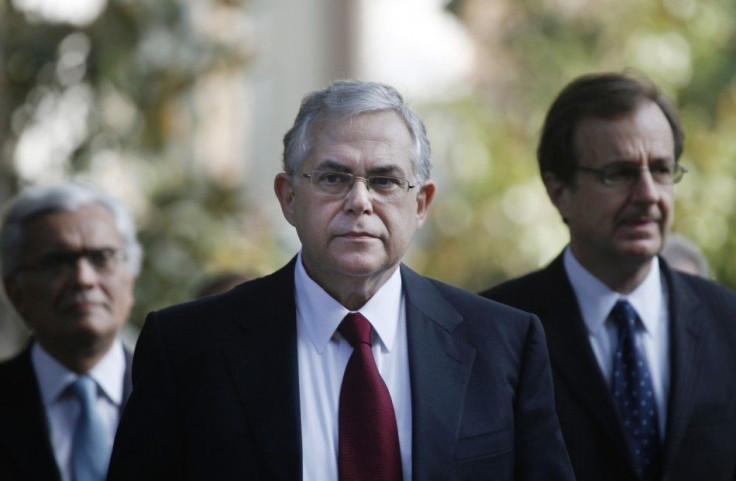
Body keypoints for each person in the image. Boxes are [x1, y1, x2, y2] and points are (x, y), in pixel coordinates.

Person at [107, 80, 573, 480]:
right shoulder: (187, 348)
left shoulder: (504, 344)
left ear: (421, 204)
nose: (359, 201)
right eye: (333, 178)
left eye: (385, 181)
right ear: (288, 198)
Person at [481, 72, 736, 481]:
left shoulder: (727, 322)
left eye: (662, 170)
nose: (649, 194)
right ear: (558, 191)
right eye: (618, 174)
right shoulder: (494, 331)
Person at [0, 182, 142, 481]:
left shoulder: (184, 401)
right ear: (15, 291)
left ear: (130, 279)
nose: (84, 279)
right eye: (57, 262)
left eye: (101, 257)